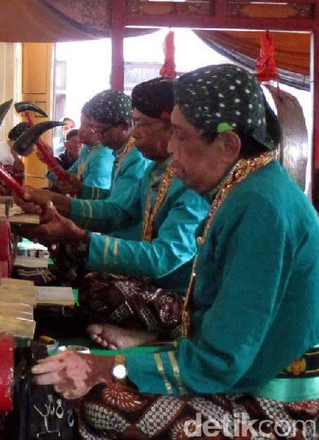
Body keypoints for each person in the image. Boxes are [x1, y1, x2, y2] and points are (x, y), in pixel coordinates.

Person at [31, 64, 319, 438]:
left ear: (228, 144)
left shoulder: (260, 206)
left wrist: (108, 368)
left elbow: (221, 362)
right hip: (235, 369)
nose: (170, 148)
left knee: (97, 407)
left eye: (180, 135)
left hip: (277, 401)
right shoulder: (248, 189)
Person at [19, 77, 209, 349]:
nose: (134, 134)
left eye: (141, 124)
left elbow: (164, 258)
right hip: (149, 278)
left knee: (99, 290)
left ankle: (159, 333)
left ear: (176, 129)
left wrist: (82, 237)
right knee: (87, 276)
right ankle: (135, 328)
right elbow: (118, 210)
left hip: (183, 296)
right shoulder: (156, 169)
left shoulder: (193, 178)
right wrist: (55, 202)